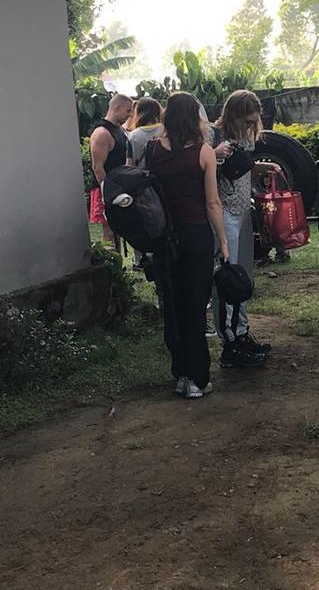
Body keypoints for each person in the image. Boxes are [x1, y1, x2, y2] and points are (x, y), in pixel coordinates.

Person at [145, 92, 229, 399]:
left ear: (167, 117)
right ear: (195, 118)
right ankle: (197, 378)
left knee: (174, 307)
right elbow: (212, 202)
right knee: (195, 308)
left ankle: (180, 373)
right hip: (195, 236)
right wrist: (222, 241)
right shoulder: (204, 152)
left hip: (165, 240)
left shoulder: (153, 150)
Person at [211, 90, 282, 368]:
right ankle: (230, 341)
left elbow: (242, 170)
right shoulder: (213, 136)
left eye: (254, 122)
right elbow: (201, 168)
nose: (251, 127)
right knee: (228, 279)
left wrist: (259, 167)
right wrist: (216, 156)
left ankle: (241, 332)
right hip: (224, 213)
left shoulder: (246, 136)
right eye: (247, 121)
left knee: (243, 277)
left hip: (242, 211)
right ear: (233, 115)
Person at [89, 94, 133, 243]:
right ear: (117, 107)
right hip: (105, 189)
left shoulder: (119, 130)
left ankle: (117, 263)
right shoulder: (101, 133)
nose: (130, 115)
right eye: (128, 111)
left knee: (118, 231)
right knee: (109, 232)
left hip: (118, 188)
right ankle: (111, 265)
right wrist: (108, 192)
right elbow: (97, 167)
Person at [126, 97, 163, 166]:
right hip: (162, 175)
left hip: (140, 175)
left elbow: (129, 165)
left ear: (138, 113)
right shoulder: (165, 130)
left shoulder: (132, 135)